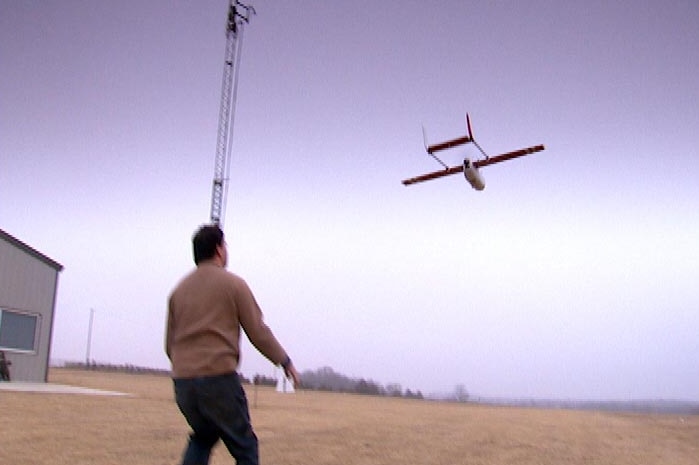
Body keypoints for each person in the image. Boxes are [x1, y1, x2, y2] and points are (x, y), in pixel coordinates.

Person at [166, 224, 299, 465]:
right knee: (245, 446)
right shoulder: (234, 284)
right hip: (218, 381)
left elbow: (169, 345)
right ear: (218, 249)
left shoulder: (178, 292)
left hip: (183, 384)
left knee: (203, 437)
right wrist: (285, 361)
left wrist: (187, 368)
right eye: (225, 246)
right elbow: (258, 332)